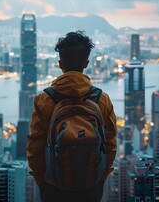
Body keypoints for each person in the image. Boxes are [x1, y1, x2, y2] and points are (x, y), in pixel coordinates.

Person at [27, 31, 117, 202]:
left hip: (53, 185)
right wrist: (101, 177)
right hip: (91, 184)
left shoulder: (44, 100)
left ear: (60, 64)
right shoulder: (102, 99)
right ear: (86, 63)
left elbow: (35, 145)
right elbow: (110, 144)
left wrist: (42, 180)